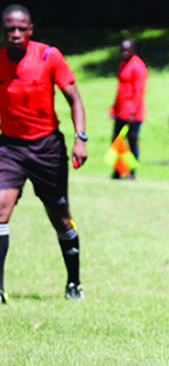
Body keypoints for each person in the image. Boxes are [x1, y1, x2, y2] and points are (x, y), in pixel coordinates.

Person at [0, 4, 88, 303]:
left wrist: (81, 138)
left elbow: (74, 98)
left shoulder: (49, 57)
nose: (15, 34)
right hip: (10, 147)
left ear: (30, 30)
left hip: (47, 148)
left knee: (60, 217)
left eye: (21, 28)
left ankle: (74, 282)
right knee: (0, 210)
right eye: (10, 29)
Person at [110, 38, 147, 180]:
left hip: (133, 114)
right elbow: (120, 89)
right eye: (122, 50)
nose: (124, 53)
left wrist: (133, 112)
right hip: (121, 111)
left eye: (127, 50)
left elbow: (139, 92)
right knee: (117, 141)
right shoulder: (122, 65)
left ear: (133, 50)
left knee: (132, 142)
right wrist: (114, 108)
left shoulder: (138, 67)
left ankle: (132, 171)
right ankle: (118, 170)